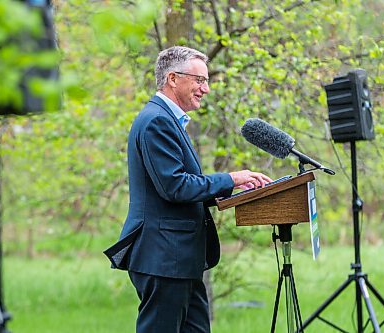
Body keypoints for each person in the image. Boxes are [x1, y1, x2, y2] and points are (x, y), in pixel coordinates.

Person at [104, 46, 272, 333]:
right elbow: (175, 186)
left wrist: (234, 187)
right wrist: (230, 178)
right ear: (172, 79)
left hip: (180, 259)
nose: (205, 89)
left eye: (205, 81)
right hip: (163, 258)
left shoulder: (169, 120)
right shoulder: (156, 121)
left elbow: (180, 186)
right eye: (199, 80)